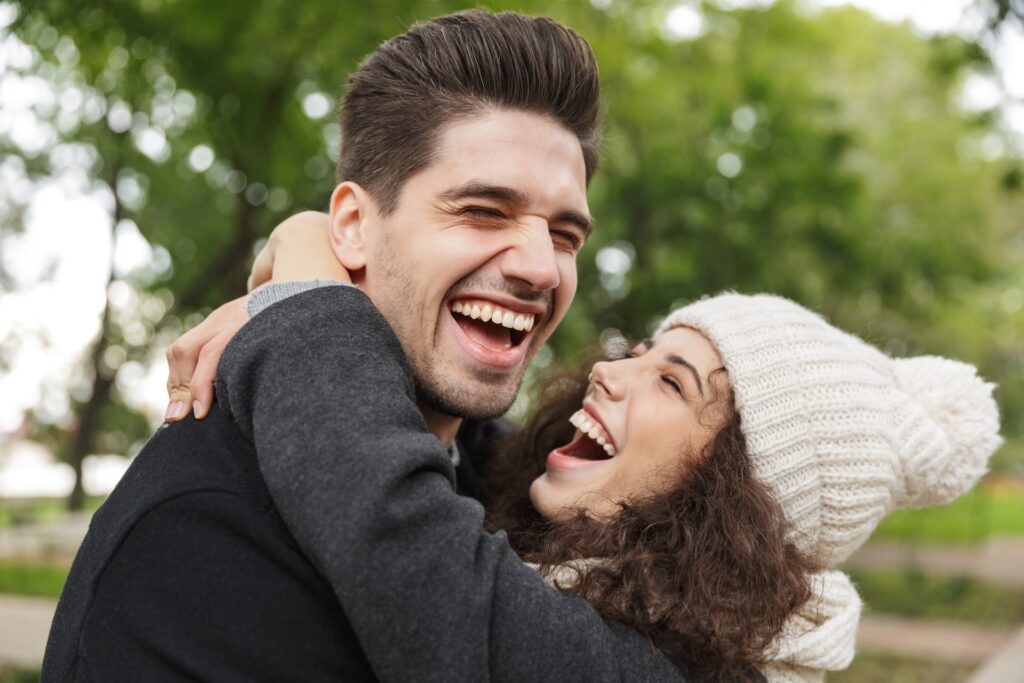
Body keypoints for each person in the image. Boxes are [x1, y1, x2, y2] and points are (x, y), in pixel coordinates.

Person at [44, 10, 700, 682]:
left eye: (565, 235)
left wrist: (302, 302)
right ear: (353, 226)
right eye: (482, 211)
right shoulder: (205, 532)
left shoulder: (495, 487)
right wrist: (310, 311)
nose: (539, 266)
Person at [194, 247, 1000, 682]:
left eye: (671, 382)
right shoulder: (604, 585)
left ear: (738, 501)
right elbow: (467, 443)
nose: (611, 370)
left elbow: (399, 535)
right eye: (644, 350)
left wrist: (308, 287)